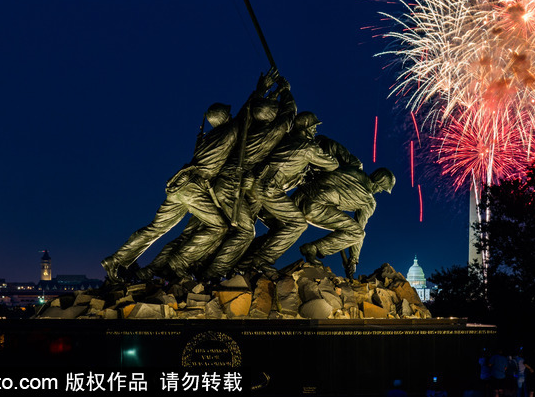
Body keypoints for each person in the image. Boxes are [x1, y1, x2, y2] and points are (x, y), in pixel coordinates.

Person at [142, 73, 295, 280]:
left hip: (211, 186)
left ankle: (153, 269)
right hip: (228, 186)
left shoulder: (237, 132)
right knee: (244, 233)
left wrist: (267, 91)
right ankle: (209, 273)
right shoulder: (269, 132)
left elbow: (248, 113)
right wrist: (286, 92)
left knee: (196, 232)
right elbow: (288, 116)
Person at [100, 100, 239, 281]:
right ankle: (179, 262)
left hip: (179, 185)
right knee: (219, 227)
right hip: (193, 188)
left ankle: (115, 259)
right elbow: (242, 117)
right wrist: (260, 91)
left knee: (155, 229)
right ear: (224, 117)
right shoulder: (228, 132)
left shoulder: (209, 138)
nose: (231, 116)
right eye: (228, 114)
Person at [206, 111, 339, 276]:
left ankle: (243, 263)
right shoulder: (308, 147)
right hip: (268, 189)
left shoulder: (286, 140)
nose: (315, 131)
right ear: (305, 129)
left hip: (254, 186)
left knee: (278, 227)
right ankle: (263, 260)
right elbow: (332, 165)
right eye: (313, 128)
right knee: (298, 224)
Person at [295, 166, 395, 277]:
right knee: (357, 233)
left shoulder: (352, 170)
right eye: (382, 188)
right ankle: (313, 248)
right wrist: (353, 260)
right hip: (314, 208)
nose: (380, 191)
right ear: (377, 184)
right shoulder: (369, 201)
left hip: (300, 196)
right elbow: (359, 228)